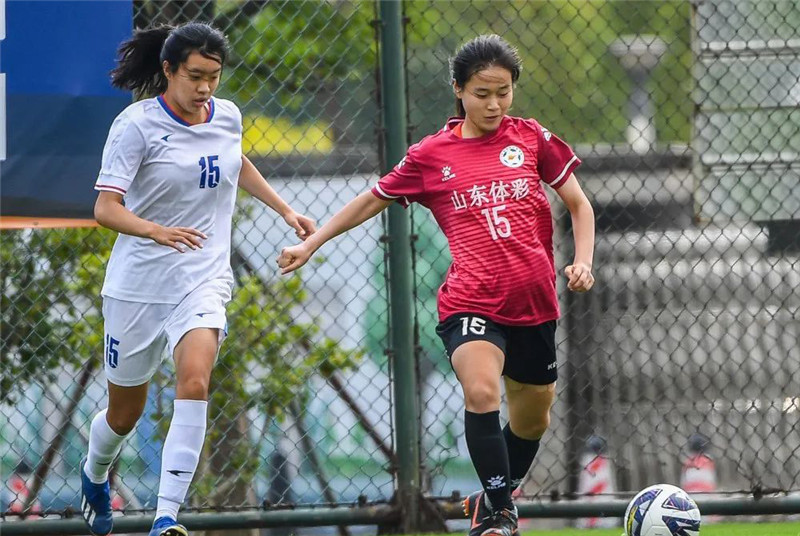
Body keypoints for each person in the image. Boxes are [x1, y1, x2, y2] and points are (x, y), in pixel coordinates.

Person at [277, 34, 595, 536]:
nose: (494, 104)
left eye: (504, 92)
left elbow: (579, 204)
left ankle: (488, 502)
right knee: (482, 391)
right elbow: (371, 199)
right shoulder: (432, 155)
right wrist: (312, 243)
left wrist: (583, 261)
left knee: (534, 420)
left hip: (535, 305)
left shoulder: (532, 138)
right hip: (471, 303)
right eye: (482, 93)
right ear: (458, 90)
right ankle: (501, 512)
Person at [81, 22, 315, 536]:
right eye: (194, 76)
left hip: (202, 278)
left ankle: (166, 518)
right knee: (124, 415)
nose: (206, 87)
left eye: (213, 76)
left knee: (194, 379)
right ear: (168, 70)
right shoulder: (136, 125)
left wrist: (284, 209)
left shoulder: (227, 115)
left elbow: (234, 161)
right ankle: (95, 471)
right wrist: (155, 230)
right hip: (138, 287)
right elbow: (105, 208)